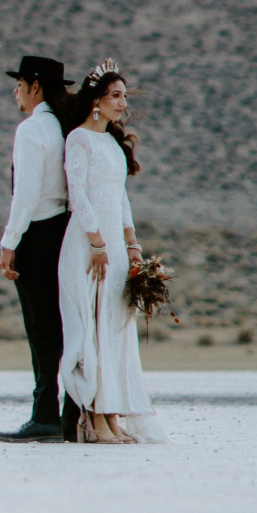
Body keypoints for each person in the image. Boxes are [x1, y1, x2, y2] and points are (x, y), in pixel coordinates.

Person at [58, 59, 166, 443]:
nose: (123, 103)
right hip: (88, 246)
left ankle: (114, 414)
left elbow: (119, 197)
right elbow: (79, 195)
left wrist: (131, 244)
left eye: (123, 96)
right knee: (93, 328)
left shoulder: (111, 143)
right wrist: (97, 242)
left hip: (115, 249)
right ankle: (93, 418)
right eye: (115, 96)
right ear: (96, 101)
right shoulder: (79, 139)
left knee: (115, 330)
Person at [0, 54, 71, 444]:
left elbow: (24, 194)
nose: (15, 91)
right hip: (66, 233)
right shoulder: (65, 127)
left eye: (19, 83)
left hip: (38, 235)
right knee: (66, 326)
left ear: (34, 86)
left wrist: (10, 241)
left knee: (41, 329)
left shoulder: (32, 129)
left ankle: (44, 415)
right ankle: (72, 412)